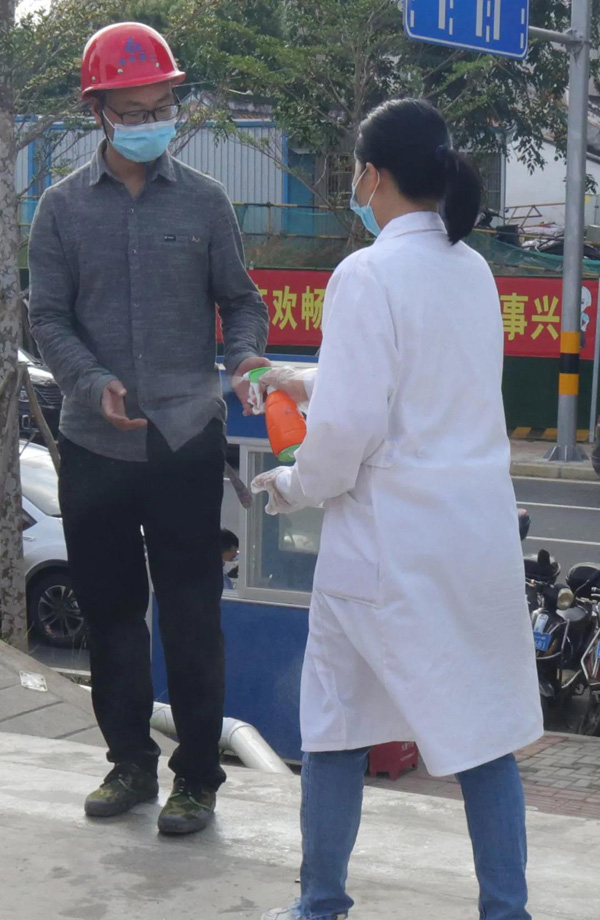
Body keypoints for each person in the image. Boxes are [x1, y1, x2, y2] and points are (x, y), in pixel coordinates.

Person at [252, 99, 543, 920]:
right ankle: (507, 910)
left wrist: (291, 485)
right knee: (483, 736)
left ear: (372, 175)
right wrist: (297, 378)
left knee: (336, 726)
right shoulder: (472, 269)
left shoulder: (366, 274)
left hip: (385, 550)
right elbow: (417, 383)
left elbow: (349, 431)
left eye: (355, 170)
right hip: (473, 538)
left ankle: (320, 902)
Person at [27, 21, 269, 835]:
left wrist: (244, 357)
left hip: (185, 439)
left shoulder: (204, 201)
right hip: (95, 445)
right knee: (111, 614)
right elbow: (48, 319)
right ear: (98, 112)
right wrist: (92, 382)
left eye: (161, 106)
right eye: (131, 111)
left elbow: (241, 301)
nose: (149, 122)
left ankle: (196, 778)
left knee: (193, 616)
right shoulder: (61, 209)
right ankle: (128, 763)